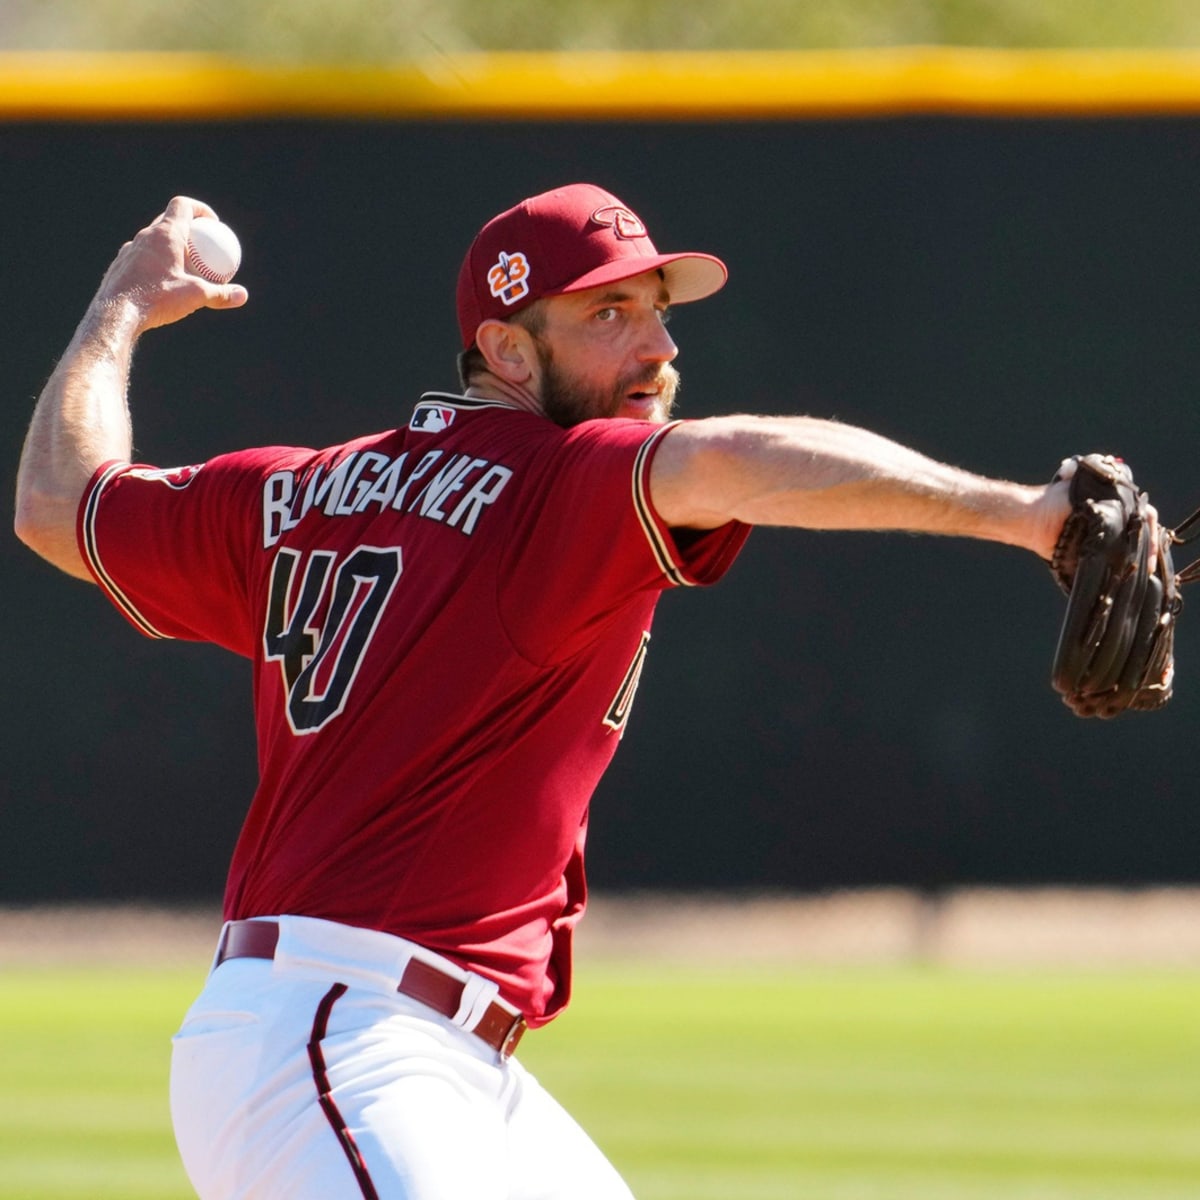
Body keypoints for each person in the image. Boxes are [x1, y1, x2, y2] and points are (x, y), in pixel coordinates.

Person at [15, 184, 1074, 1199]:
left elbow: (58, 504)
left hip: (417, 1056)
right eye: (610, 312)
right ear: (508, 350)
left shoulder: (289, 492)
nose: (658, 346)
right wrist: (1025, 514)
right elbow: (737, 459)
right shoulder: (551, 483)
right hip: (341, 1041)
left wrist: (121, 304)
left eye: (657, 311)